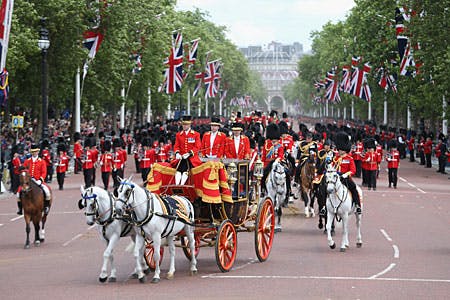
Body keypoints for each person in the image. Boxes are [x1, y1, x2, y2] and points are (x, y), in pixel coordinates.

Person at [333, 132, 362, 214]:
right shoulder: (335, 158)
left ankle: (357, 205)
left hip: (345, 179)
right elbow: (332, 167)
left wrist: (345, 175)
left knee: (353, 188)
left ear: (344, 150)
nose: (338, 151)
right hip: (335, 178)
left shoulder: (349, 158)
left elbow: (353, 170)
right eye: (338, 149)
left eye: (340, 150)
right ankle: (324, 207)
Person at [19, 145, 52, 215]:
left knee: (47, 192)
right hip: (29, 181)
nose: (34, 153)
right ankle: (20, 208)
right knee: (19, 192)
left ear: (38, 152)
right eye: (33, 152)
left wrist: (40, 180)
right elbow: (23, 169)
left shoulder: (42, 161)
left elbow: (44, 172)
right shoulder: (27, 161)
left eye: (35, 152)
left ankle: (46, 207)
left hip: (38, 180)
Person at [172, 115, 202, 185]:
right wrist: (177, 153)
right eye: (183, 124)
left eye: (186, 124)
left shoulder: (196, 134)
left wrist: (189, 153)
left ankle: (182, 185)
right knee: (178, 171)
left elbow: (197, 146)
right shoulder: (179, 135)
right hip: (181, 157)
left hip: (191, 158)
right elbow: (176, 146)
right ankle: (177, 185)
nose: (184, 126)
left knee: (185, 171)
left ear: (190, 124)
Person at [261, 123, 284, 193]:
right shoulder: (267, 143)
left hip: (278, 162)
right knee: (263, 175)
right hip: (268, 163)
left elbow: (281, 155)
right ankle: (263, 189)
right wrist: (262, 163)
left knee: (287, 174)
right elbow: (264, 155)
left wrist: (277, 161)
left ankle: (289, 191)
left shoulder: (280, 143)